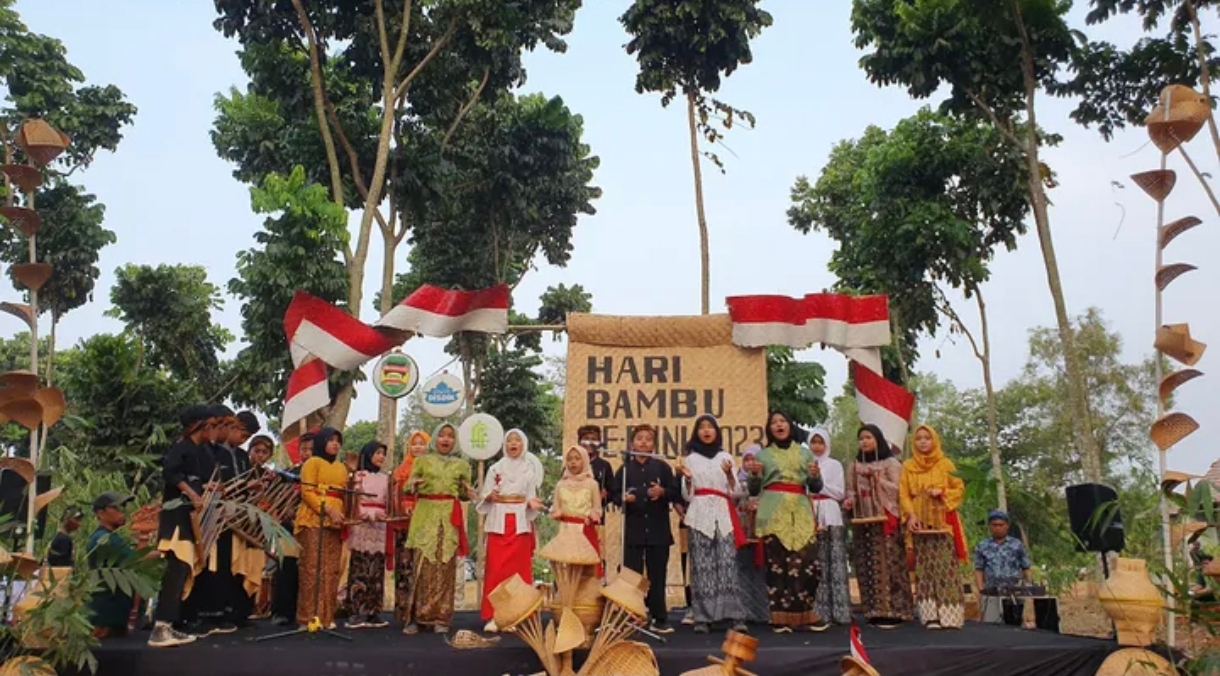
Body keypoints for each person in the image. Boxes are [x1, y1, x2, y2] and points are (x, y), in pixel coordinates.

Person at [746, 410, 824, 633]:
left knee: (809, 564)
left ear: (790, 425)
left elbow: (816, 487)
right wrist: (754, 476)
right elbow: (753, 490)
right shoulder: (762, 456)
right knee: (778, 565)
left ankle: (805, 613)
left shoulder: (805, 454)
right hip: (773, 509)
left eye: (782, 421)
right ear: (769, 429)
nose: (779, 425)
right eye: (774, 422)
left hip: (800, 509)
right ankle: (779, 617)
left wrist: (815, 475)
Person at [675, 415, 749, 634]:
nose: (706, 431)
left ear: (717, 431)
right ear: (696, 432)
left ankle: (734, 616)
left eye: (710, 427)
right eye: (702, 428)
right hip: (699, 513)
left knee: (727, 564)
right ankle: (702, 617)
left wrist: (729, 475)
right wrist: (688, 480)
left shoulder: (725, 456)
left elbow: (736, 492)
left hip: (723, 513)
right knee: (701, 566)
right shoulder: (690, 459)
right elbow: (687, 497)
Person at [148, 404, 214, 648]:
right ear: (200, 426)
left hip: (189, 520)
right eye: (210, 425)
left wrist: (206, 491)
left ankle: (170, 624)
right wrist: (192, 494)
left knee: (182, 571)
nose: (213, 430)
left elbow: (197, 482)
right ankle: (160, 627)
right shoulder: (181, 447)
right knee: (175, 571)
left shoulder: (199, 451)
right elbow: (171, 473)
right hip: (176, 519)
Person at [402, 422, 475, 635]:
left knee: (445, 567)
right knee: (422, 566)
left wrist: (467, 493)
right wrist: (413, 484)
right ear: (435, 439)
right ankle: (415, 618)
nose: (446, 440)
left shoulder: (462, 465)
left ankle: (441, 618)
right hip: (425, 516)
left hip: (449, 519)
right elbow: (408, 485)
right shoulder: (422, 461)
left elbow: (462, 492)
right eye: (442, 435)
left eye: (450, 436)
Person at [610, 424, 680, 634]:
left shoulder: (662, 468)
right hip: (634, 530)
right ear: (632, 443)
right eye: (639, 438)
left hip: (658, 530)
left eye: (648, 439)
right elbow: (614, 494)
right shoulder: (624, 469)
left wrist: (663, 491)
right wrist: (623, 498)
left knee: (657, 575)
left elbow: (675, 492)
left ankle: (659, 618)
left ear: (653, 445)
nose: (643, 442)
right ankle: (633, 615)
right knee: (632, 576)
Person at [845, 423, 913, 629]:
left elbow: (899, 490)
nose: (864, 441)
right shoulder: (854, 465)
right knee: (867, 564)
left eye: (868, 437)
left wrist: (878, 480)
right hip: (864, 520)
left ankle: (895, 611)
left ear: (878, 440)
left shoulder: (890, 463)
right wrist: (849, 501)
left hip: (886, 518)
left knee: (889, 563)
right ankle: (873, 611)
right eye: (861, 438)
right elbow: (851, 490)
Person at [900, 424, 968, 630]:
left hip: (942, 523)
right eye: (918, 438)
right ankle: (930, 616)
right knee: (925, 569)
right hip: (919, 524)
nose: (922, 441)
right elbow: (903, 494)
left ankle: (951, 616)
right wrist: (910, 516)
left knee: (945, 568)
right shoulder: (908, 466)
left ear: (934, 441)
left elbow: (959, 488)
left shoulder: (945, 464)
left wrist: (942, 491)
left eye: (926, 438)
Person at [478, 429, 544, 632]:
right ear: (504, 445)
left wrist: (533, 503)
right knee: (496, 569)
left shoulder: (529, 470)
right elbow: (485, 494)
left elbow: (531, 496)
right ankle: (494, 616)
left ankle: (517, 615)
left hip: (520, 523)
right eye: (509, 441)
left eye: (517, 440)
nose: (513, 444)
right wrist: (489, 497)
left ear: (523, 444)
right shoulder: (495, 468)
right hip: (499, 521)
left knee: (518, 572)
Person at [295, 427, 349, 629]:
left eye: (338, 440)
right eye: (331, 440)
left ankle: (326, 617)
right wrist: (327, 510)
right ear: (322, 442)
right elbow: (307, 492)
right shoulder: (312, 463)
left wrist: (343, 513)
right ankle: (306, 617)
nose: (335, 444)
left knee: (331, 569)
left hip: (335, 522)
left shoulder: (342, 468)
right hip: (313, 519)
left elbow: (344, 494)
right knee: (311, 568)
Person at [271, 429, 314, 626]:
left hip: (311, 527)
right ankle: (281, 612)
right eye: (303, 449)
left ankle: (305, 611)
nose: (307, 453)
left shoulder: (321, 472)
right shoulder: (290, 472)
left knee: (308, 570)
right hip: (288, 527)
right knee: (285, 568)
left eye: (311, 450)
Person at [809, 426, 850, 627]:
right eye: (813, 442)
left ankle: (840, 611)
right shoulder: (804, 464)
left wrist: (818, 483)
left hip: (831, 513)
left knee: (835, 561)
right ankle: (820, 612)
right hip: (811, 511)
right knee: (817, 563)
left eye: (820, 442)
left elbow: (839, 493)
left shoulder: (834, 465)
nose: (817, 447)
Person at [346, 441, 390, 629]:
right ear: (368, 454)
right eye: (378, 453)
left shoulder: (386, 478)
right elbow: (354, 503)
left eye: (383, 454)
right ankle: (356, 612)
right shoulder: (358, 476)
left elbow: (389, 501)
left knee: (377, 568)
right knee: (360, 566)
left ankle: (374, 612)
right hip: (362, 525)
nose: (381, 457)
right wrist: (371, 514)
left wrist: (386, 514)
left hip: (380, 526)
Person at [86, 491, 136, 638]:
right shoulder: (103, 540)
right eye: (116, 508)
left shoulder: (110, 537)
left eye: (123, 507)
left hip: (114, 617)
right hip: (105, 619)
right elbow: (137, 559)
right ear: (100, 513)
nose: (122, 512)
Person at [392, 429, 428, 629]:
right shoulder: (400, 470)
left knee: (423, 569)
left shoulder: (432, 469)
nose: (418, 447)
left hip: (425, 524)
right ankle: (405, 614)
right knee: (405, 568)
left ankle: (424, 613)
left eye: (422, 443)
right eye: (414, 443)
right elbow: (395, 494)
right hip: (405, 525)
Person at [974, 509, 1033, 624]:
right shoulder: (983, 546)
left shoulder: (1017, 545)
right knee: (991, 624)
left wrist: (1029, 587)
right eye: (994, 525)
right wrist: (981, 590)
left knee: (1014, 625)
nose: (998, 528)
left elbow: (1026, 567)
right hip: (991, 592)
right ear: (990, 526)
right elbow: (979, 569)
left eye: (1001, 525)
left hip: (1014, 592)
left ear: (1007, 526)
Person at [734, 445, 770, 626]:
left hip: (761, 530)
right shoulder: (735, 480)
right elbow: (731, 499)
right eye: (746, 459)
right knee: (742, 569)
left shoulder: (766, 481)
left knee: (761, 569)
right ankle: (744, 611)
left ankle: (762, 611)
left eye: (753, 459)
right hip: (741, 530)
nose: (749, 463)